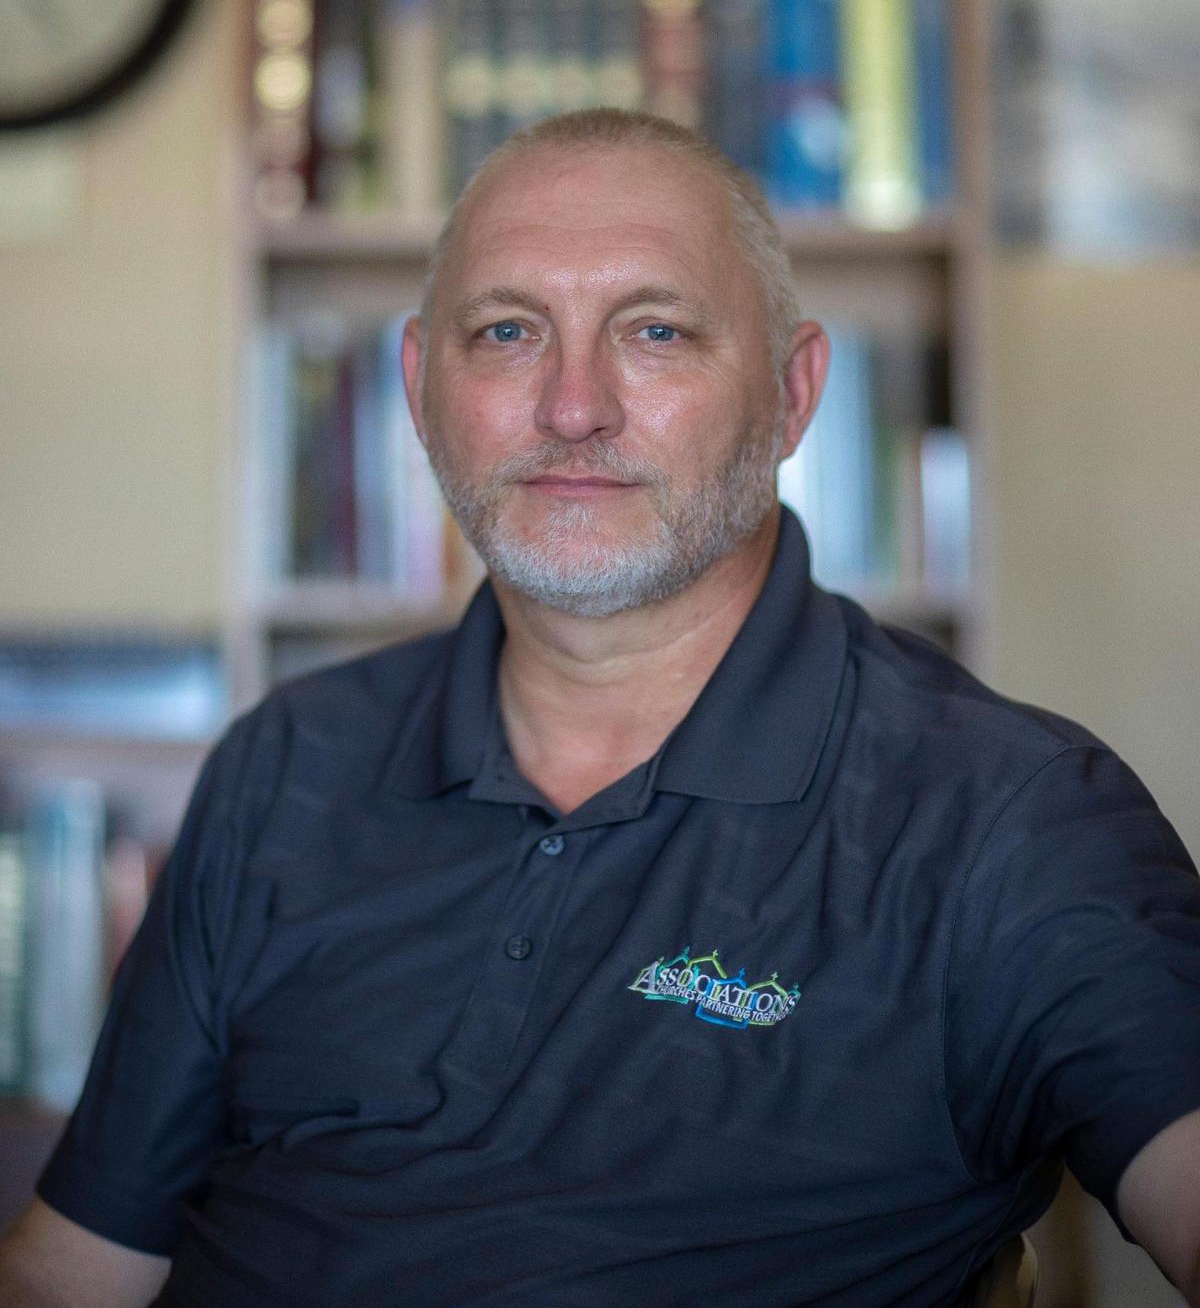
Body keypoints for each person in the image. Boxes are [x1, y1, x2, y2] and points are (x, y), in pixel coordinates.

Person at [2, 108, 1198, 1308]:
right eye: (508, 331)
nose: (573, 408)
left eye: (656, 331)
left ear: (792, 394)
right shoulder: (285, 761)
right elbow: (75, 1273)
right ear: (420, 387)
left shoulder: (1012, 820)